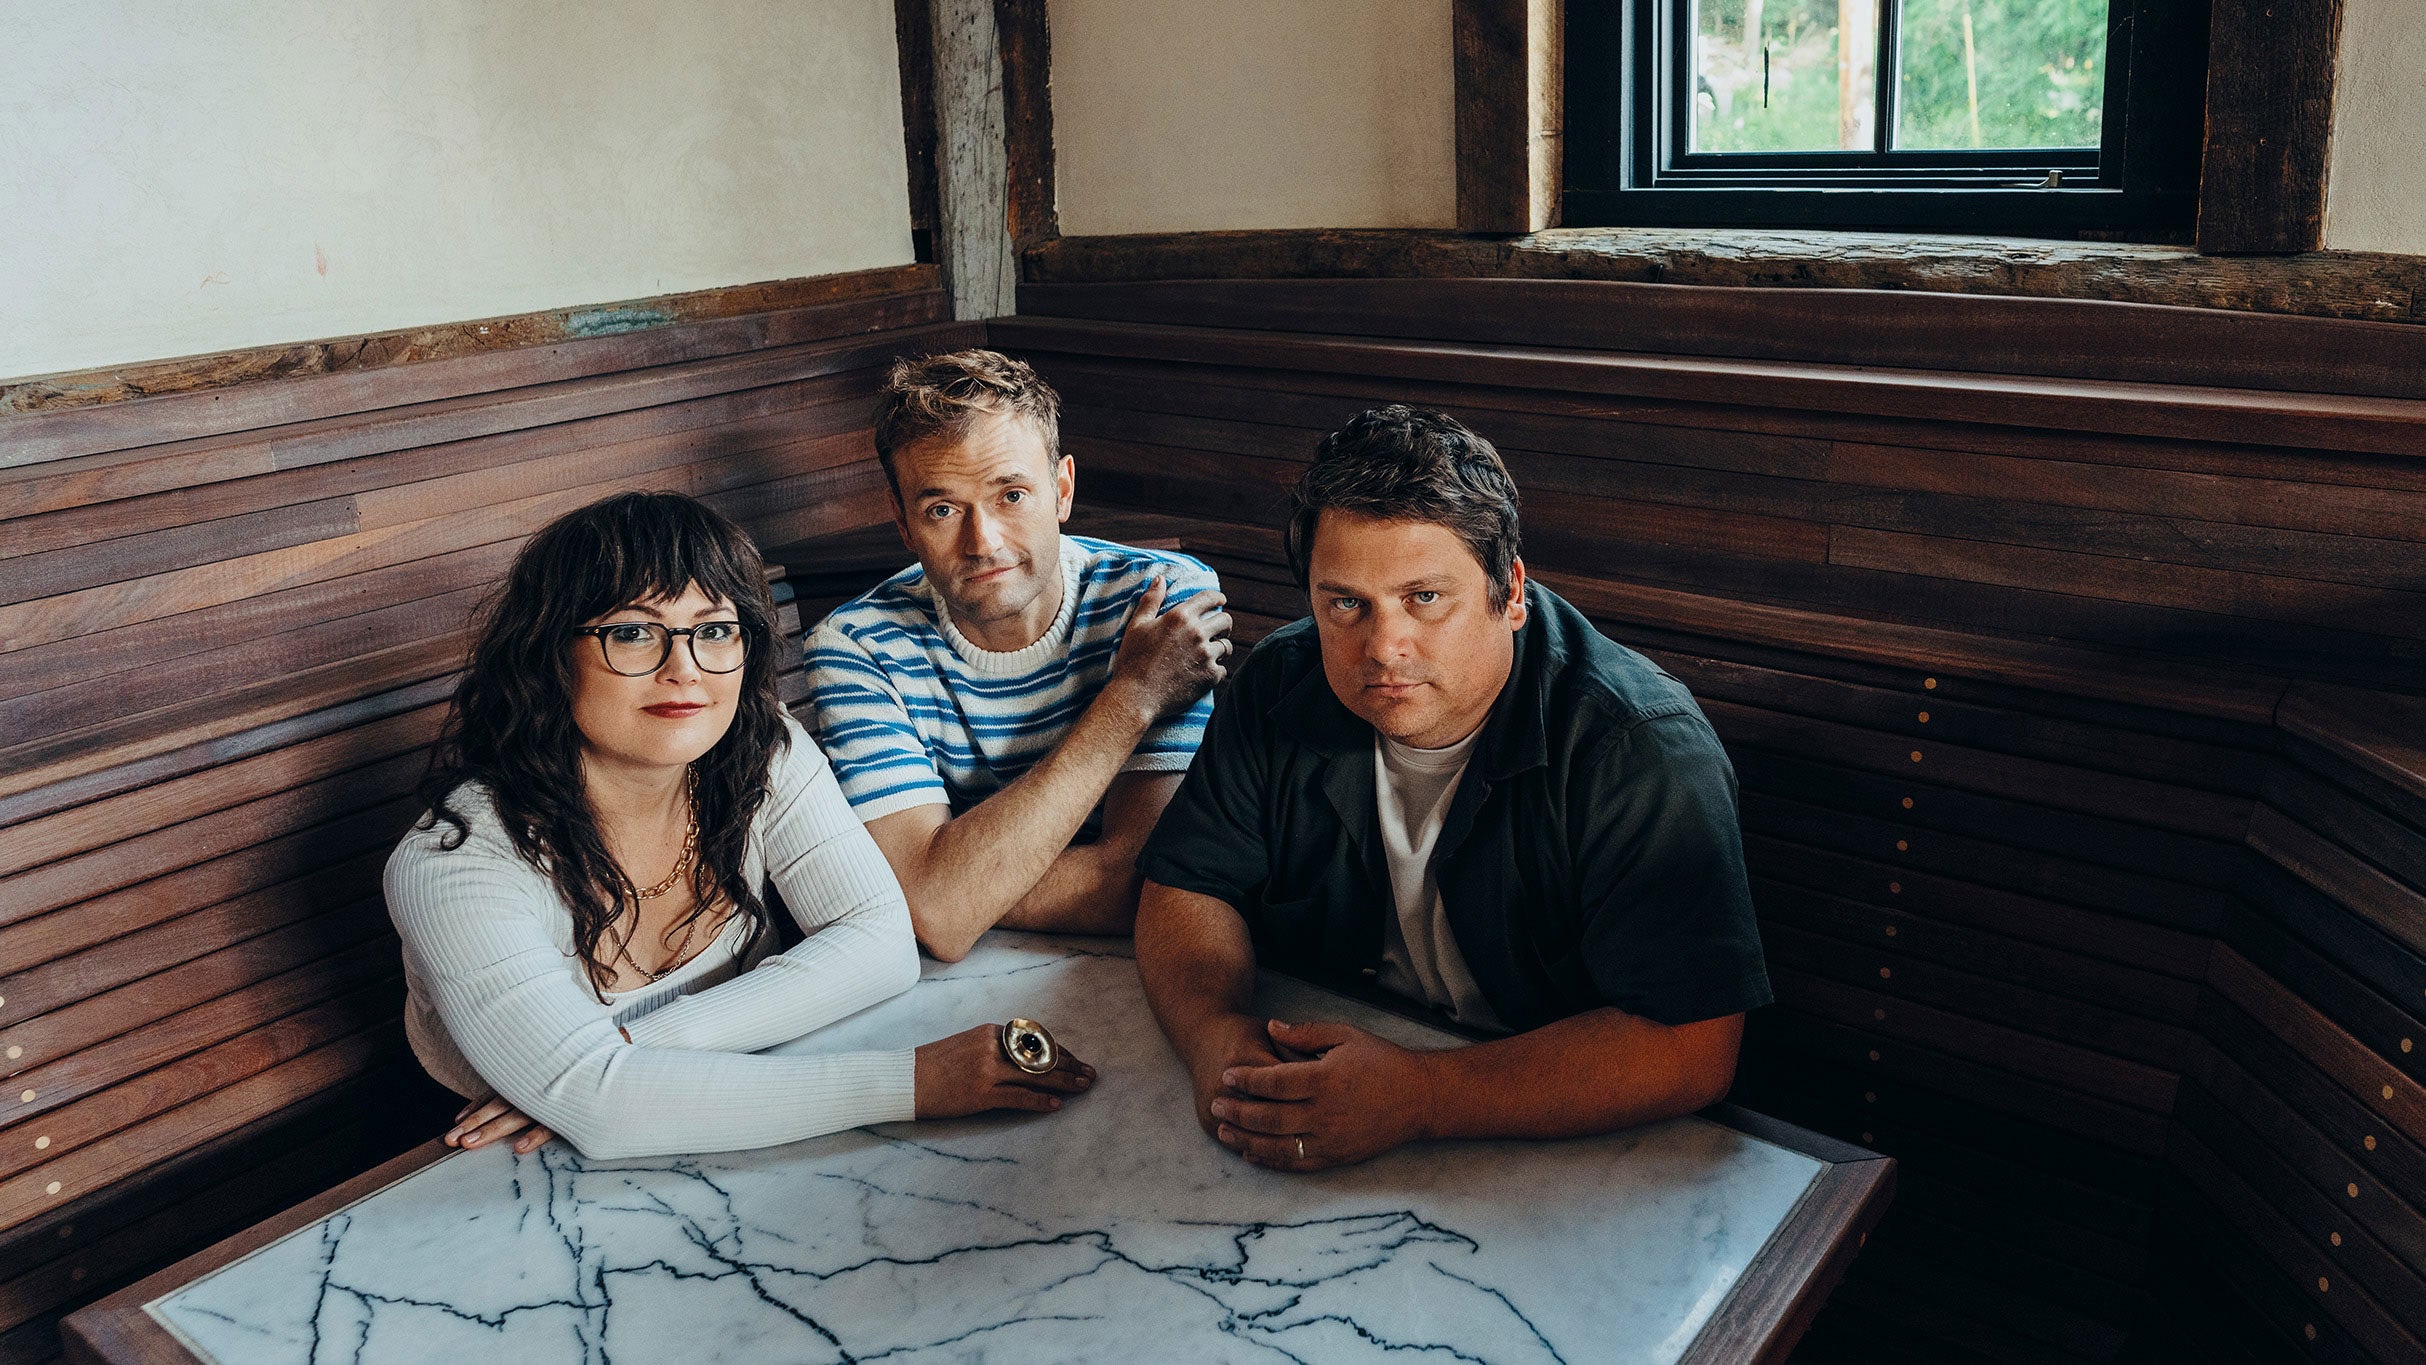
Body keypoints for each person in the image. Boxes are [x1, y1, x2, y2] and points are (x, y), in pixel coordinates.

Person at [1133, 406, 1771, 1171]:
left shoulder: (1639, 748)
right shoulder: (1281, 680)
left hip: (1564, 1137)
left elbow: (1692, 1045)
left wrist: (1422, 1096)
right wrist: (1214, 1038)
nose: (1382, 647)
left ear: (1510, 594)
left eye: (1425, 598)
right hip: (1334, 1090)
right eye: (1345, 603)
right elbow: (1187, 887)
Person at [386, 491, 1093, 1161]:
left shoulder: (760, 748)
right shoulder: (455, 860)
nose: (684, 668)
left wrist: (626, 1048)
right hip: (480, 1173)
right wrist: (914, 1083)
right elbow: (602, 1110)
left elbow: (879, 944)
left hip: (751, 1114)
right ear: (550, 654)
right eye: (633, 633)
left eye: (715, 630)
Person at [805, 350, 1232, 962]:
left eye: (1011, 495)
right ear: (903, 525)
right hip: (962, 981)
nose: (983, 543)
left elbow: (1143, 883)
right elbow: (939, 917)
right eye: (942, 510)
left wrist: (953, 888)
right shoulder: (856, 646)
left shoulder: (1160, 600)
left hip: (1150, 961)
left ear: (1061, 490)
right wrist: (1131, 698)